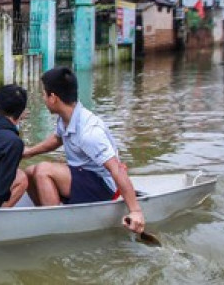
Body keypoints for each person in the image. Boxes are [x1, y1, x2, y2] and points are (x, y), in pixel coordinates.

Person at [23, 66, 146, 234]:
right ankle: (46, 212)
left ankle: (55, 228)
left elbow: (116, 169)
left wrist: (136, 211)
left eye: (44, 94)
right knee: (29, 172)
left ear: (53, 98)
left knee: (43, 170)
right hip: (83, 174)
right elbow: (57, 139)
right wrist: (28, 152)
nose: (43, 99)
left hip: (103, 186)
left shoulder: (89, 132)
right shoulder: (66, 116)